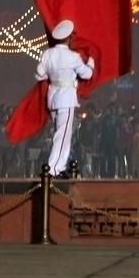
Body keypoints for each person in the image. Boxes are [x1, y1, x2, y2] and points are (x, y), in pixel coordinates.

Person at [35, 19, 94, 178]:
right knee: (63, 135)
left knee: (58, 133)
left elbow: (39, 74)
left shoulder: (47, 54)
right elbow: (87, 74)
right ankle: (54, 168)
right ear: (69, 38)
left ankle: (57, 166)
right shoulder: (73, 56)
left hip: (52, 97)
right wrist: (91, 63)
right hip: (66, 98)